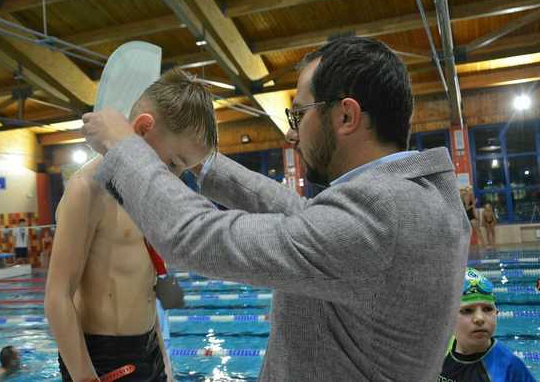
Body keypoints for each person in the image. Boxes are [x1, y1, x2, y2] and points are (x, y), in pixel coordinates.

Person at [82, 36, 472, 381]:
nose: (291, 132)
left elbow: (196, 237)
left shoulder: (383, 219)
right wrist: (201, 161)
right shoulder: (412, 198)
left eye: (299, 114)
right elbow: (301, 213)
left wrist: (125, 149)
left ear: (347, 116)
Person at [45, 68, 217, 382]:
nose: (173, 178)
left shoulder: (144, 195)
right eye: (173, 164)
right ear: (141, 129)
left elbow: (145, 288)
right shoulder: (88, 190)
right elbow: (57, 297)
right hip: (103, 360)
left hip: (147, 350)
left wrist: (162, 360)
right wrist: (85, 377)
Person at [438, 268, 535, 381]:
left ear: (496, 313)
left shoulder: (510, 369)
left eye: (487, 309)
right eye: (467, 310)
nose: (480, 318)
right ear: (448, 319)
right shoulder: (437, 353)